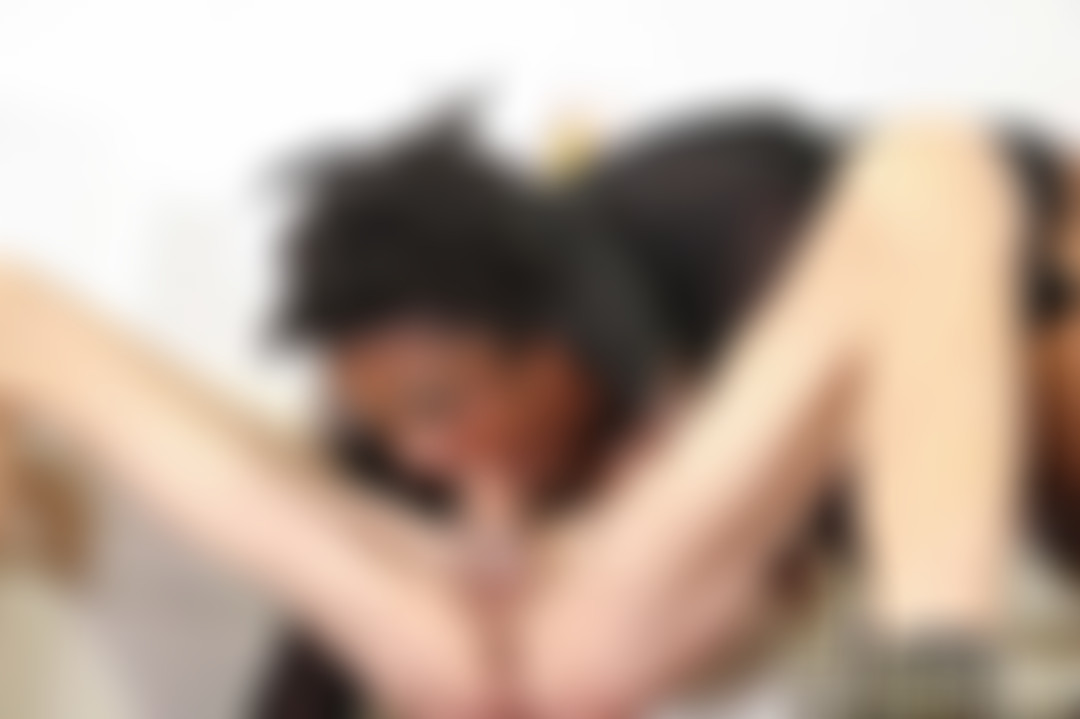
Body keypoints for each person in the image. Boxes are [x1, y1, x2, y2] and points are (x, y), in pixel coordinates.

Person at [0, 106, 1076, 718]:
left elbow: (934, 269)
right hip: (564, 611)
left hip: (793, 488)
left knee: (933, 165)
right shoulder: (402, 471)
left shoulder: (717, 216)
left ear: (556, 350)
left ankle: (932, 679)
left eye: (442, 405)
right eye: (390, 424)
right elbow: (315, 674)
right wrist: (461, 548)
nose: (422, 450)